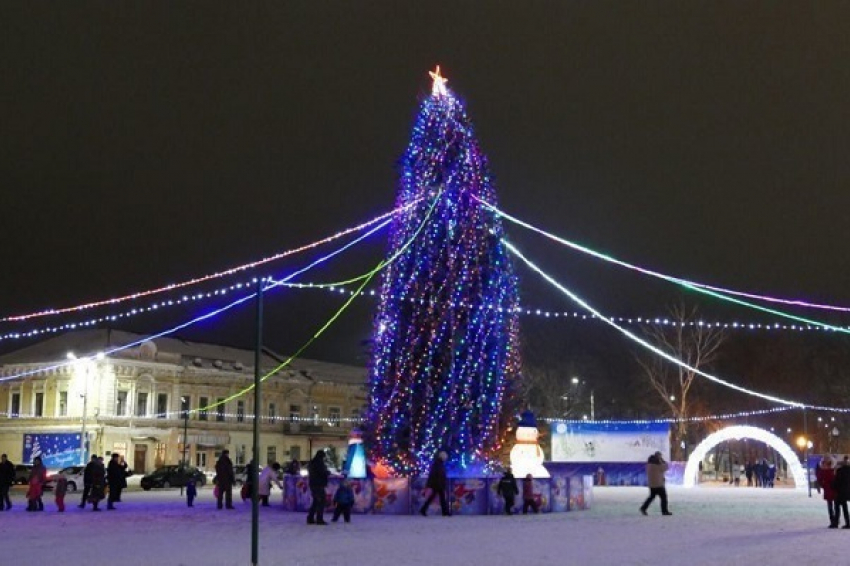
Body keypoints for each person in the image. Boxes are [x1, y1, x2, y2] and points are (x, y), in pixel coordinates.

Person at [640, 451, 672, 516]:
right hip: (658, 484)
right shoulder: (657, 465)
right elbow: (665, 467)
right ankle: (664, 511)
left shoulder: (649, 465)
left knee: (651, 497)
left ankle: (643, 508)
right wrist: (662, 461)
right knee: (663, 497)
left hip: (652, 484)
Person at [420, 450, 450, 517]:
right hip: (438, 484)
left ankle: (424, 509)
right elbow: (437, 474)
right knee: (441, 498)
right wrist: (440, 483)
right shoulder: (438, 464)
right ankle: (445, 512)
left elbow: (437, 474)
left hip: (437, 483)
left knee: (436, 497)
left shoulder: (438, 464)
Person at [307, 450, 330, 525]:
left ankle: (310, 518)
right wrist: (327, 472)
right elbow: (322, 472)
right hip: (319, 484)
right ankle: (319, 519)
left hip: (313, 484)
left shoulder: (312, 462)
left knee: (316, 501)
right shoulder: (319, 463)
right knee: (321, 501)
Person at [816, 455, 838, 528]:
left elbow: (820, 479)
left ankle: (833, 521)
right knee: (833, 506)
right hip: (833, 490)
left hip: (830, 490)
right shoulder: (833, 470)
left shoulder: (823, 471)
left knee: (831, 506)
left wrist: (823, 485)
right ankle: (834, 521)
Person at [833, 456, 850, 529]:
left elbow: (837, 482)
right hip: (847, 491)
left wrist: (833, 486)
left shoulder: (840, 471)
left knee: (837, 507)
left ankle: (836, 522)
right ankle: (848, 522)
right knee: (844, 507)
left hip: (840, 492)